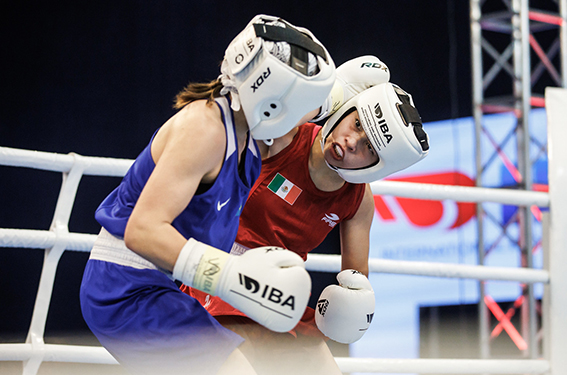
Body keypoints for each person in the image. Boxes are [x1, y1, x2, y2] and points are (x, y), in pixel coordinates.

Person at [79, 14, 336, 375]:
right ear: (276, 101)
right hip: (126, 287)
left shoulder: (247, 142)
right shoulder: (205, 129)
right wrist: (231, 276)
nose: (311, 116)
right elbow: (142, 230)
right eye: (308, 104)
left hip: (162, 287)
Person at [181, 56, 430, 375]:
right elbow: (235, 103)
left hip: (278, 293)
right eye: (356, 124)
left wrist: (351, 309)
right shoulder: (286, 134)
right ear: (347, 108)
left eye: (368, 146)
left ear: (378, 163)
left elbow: (355, 281)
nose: (350, 142)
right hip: (221, 272)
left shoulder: (358, 200)